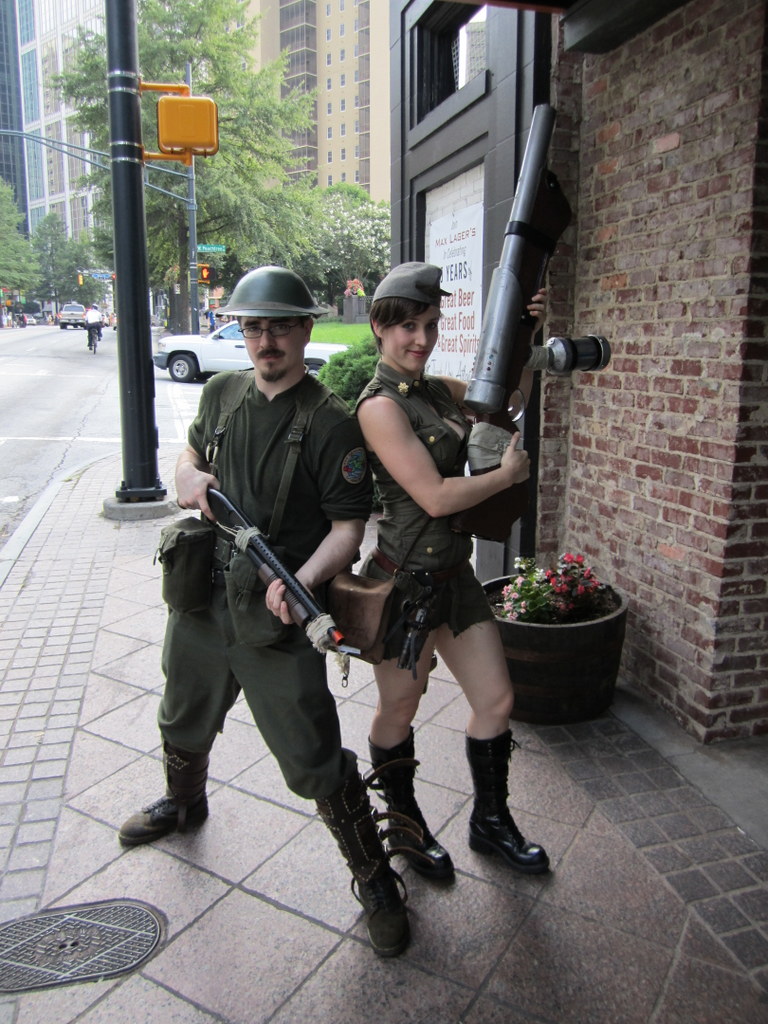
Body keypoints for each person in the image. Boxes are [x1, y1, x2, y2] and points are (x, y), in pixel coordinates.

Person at [118, 266, 413, 958]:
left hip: (278, 614)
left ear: (306, 329)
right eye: (253, 327)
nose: (266, 340)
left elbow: (348, 530)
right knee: (182, 711)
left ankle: (375, 879)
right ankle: (185, 801)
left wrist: (300, 582)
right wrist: (185, 473)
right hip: (203, 598)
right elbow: (191, 455)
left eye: (280, 326)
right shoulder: (222, 393)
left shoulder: (331, 424)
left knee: (312, 752)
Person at [355, 262, 550, 883]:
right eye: (408, 326)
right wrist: (505, 477)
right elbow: (436, 498)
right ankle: (405, 826)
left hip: (452, 578)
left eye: (431, 325)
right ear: (379, 327)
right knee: (399, 709)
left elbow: (507, 400)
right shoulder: (380, 407)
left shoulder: (436, 390)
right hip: (403, 586)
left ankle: (490, 822)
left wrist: (523, 336)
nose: (421, 339)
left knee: (497, 699)